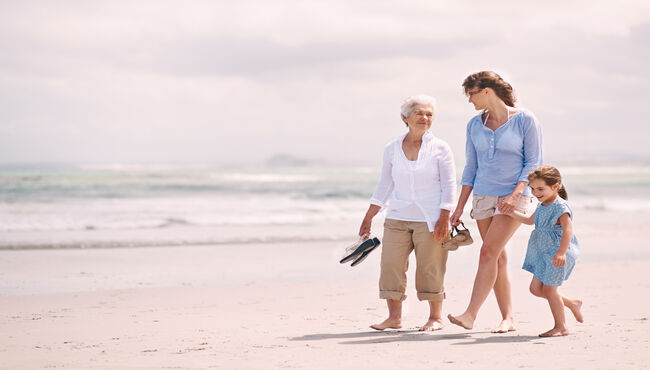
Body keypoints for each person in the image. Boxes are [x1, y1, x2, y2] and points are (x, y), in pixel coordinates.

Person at [448, 71, 543, 333]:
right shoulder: (474, 125)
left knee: (487, 252)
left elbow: (533, 162)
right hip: (482, 196)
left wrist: (515, 194)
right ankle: (508, 318)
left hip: (514, 197)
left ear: (487, 91)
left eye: (472, 94)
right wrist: (459, 207)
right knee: (497, 258)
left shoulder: (525, 119)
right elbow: (471, 168)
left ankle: (470, 314)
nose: (469, 100)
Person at [359, 95, 456, 331]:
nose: (425, 118)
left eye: (429, 114)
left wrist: (444, 217)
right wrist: (369, 215)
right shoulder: (392, 148)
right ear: (405, 117)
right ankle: (394, 318)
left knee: (430, 267)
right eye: (419, 113)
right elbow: (385, 185)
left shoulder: (440, 148)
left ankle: (435, 318)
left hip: (431, 220)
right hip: (397, 217)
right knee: (391, 266)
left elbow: (449, 185)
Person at [505, 166, 583, 337]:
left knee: (549, 290)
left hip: (557, 252)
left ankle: (561, 326)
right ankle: (571, 303)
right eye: (532, 189)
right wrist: (511, 212)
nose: (535, 193)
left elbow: (568, 230)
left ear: (555, 186)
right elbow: (529, 221)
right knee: (535, 289)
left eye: (540, 189)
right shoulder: (542, 204)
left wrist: (561, 252)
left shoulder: (560, 206)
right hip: (542, 252)